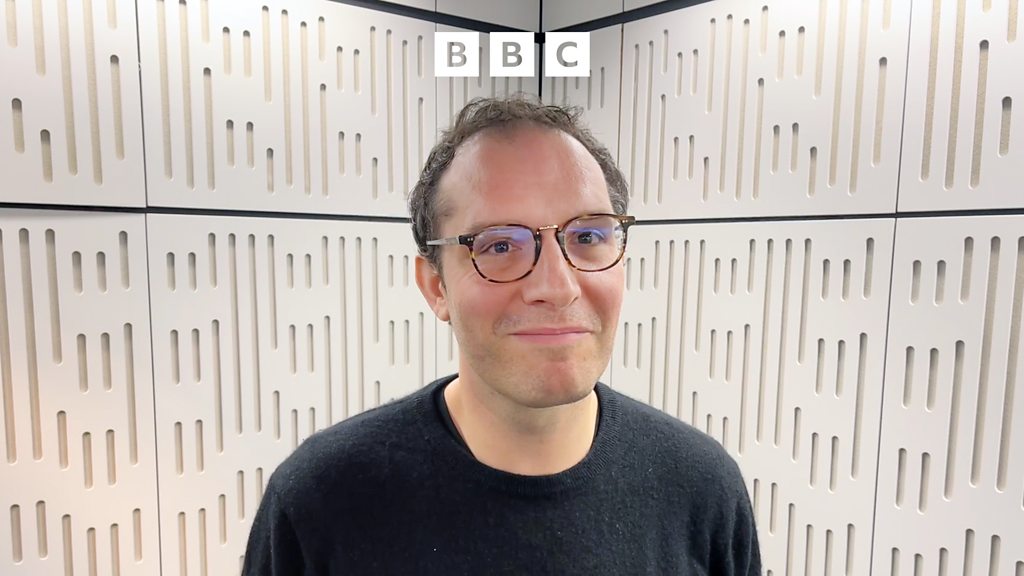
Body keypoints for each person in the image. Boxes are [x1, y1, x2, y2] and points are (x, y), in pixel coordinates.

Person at [242, 96, 762, 575]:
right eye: (498, 246)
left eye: (587, 236)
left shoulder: (703, 488)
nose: (557, 287)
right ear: (436, 287)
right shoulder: (321, 500)